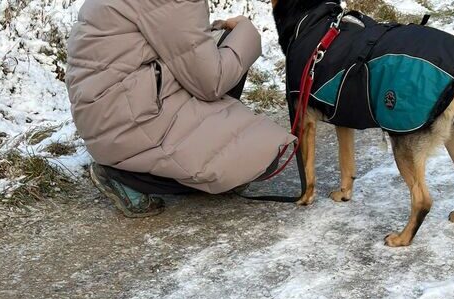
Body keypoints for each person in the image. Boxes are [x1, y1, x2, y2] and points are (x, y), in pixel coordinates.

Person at [65, 0, 296, 217]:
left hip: (106, 111)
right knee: (262, 159)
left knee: (224, 38)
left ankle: (207, 141)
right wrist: (247, 31)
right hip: (127, 121)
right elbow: (212, 82)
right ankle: (126, 176)